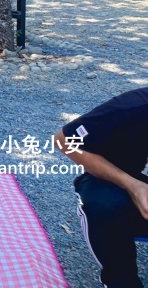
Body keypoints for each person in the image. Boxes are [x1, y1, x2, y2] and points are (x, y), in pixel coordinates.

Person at [53, 88, 148, 287]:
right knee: (103, 202)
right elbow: (64, 141)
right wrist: (133, 185)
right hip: (122, 179)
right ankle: (121, 281)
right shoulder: (132, 107)